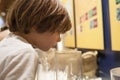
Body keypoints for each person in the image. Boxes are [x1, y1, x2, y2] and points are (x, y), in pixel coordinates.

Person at [0, 0, 72, 80]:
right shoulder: (24, 53)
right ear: (37, 24)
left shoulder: (9, 44)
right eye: (58, 31)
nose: (59, 39)